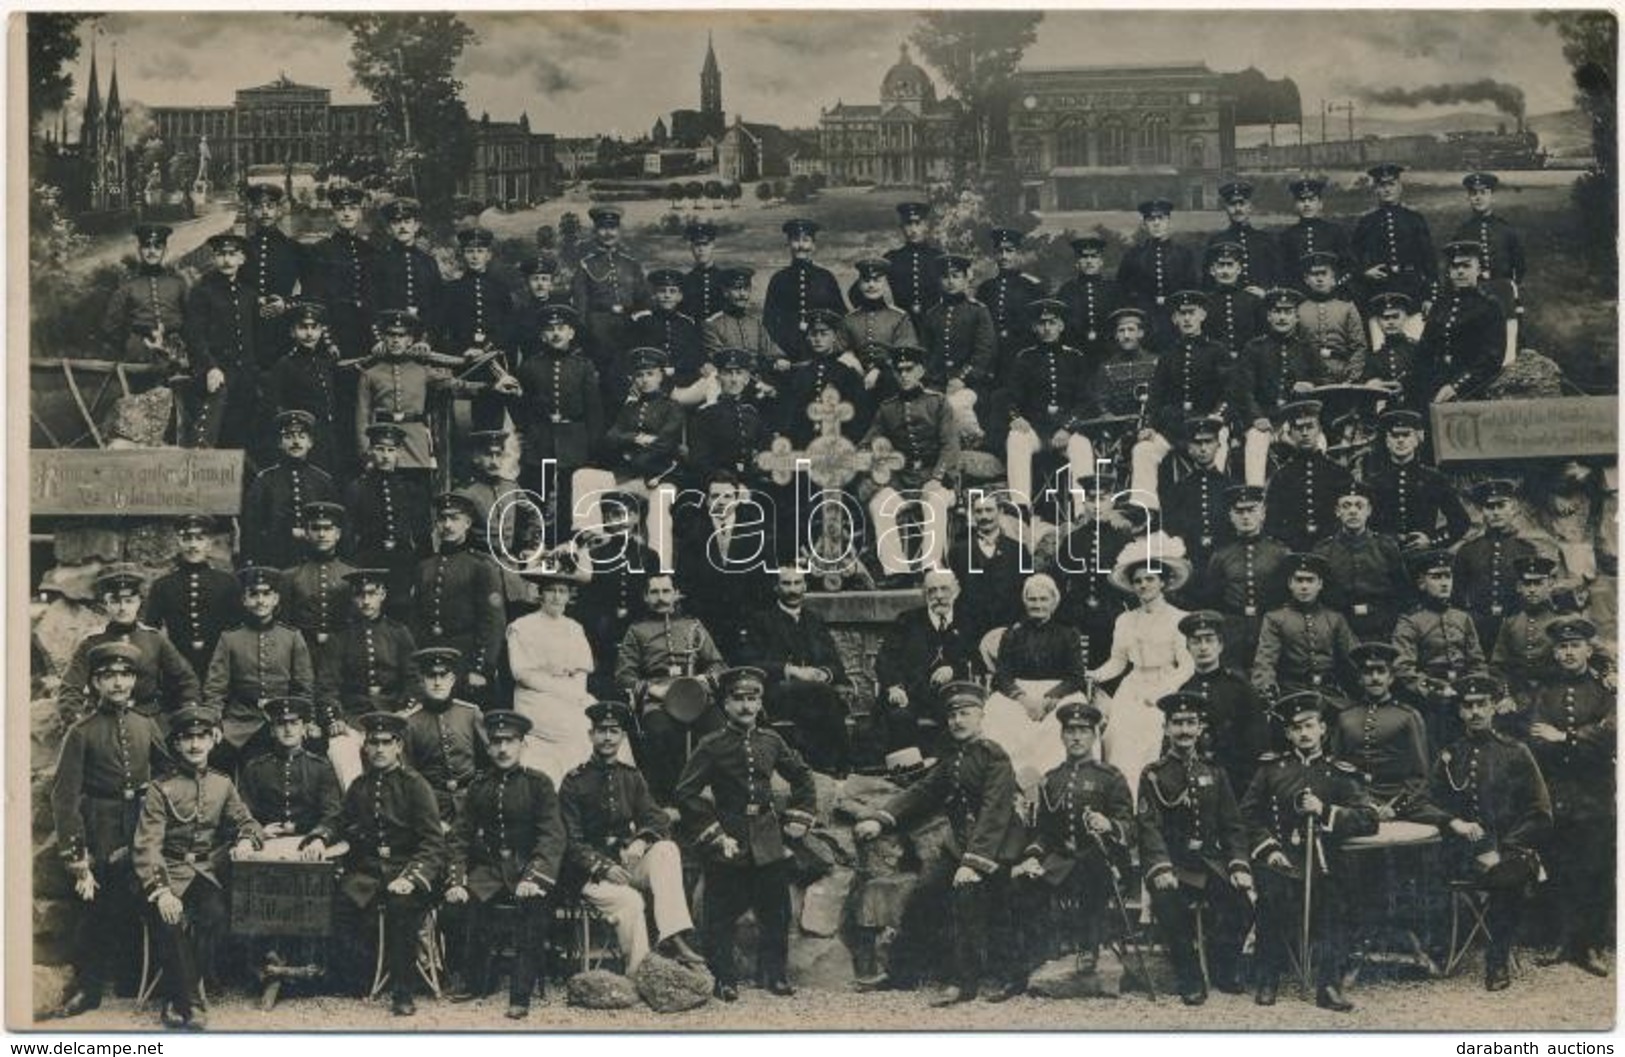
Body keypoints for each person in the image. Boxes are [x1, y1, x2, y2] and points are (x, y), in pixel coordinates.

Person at [854, 681, 1024, 1005]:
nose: (958, 721)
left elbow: (994, 813)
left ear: (981, 716)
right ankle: (903, 973)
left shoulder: (994, 756)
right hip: (961, 845)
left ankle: (969, 982)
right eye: (953, 715)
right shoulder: (953, 757)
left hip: (997, 848)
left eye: (966, 713)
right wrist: (881, 818)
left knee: (972, 898)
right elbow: (923, 792)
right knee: (923, 893)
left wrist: (974, 863)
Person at [675, 666, 818, 1001]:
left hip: (768, 839)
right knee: (720, 913)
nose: (746, 707)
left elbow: (802, 775)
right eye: (738, 699)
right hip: (730, 839)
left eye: (752, 699)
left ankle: (775, 974)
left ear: (760, 701)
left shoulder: (772, 740)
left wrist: (799, 816)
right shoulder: (712, 745)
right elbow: (685, 792)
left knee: (776, 910)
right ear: (725, 704)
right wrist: (714, 833)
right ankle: (723, 978)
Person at [48, 642, 170, 1019]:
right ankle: (89, 987)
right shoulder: (82, 732)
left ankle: (134, 977)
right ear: (96, 682)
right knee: (96, 907)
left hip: (140, 824)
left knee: (137, 898)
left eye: (125, 675)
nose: (118, 683)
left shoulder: (145, 724)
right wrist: (76, 855)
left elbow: (167, 773)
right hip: (100, 825)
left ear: (134, 680)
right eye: (108, 676)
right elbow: (63, 798)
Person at [1240, 690, 1378, 1011]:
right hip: (1281, 859)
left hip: (1324, 861)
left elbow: (1368, 818)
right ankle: (1268, 977)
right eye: (1296, 727)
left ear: (1322, 730)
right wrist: (1268, 848)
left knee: (1335, 904)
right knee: (1271, 896)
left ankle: (1328, 985)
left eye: (1309, 725)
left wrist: (1326, 811)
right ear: (1288, 733)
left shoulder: (1339, 773)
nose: (1303, 733)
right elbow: (1246, 815)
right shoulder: (1271, 770)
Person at [1412, 674, 1551, 991]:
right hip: (1462, 851)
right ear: (1460, 711)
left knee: (1508, 875)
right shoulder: (1451, 755)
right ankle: (1436, 949)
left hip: (1509, 849)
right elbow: (1419, 801)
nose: (1475, 712)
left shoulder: (1515, 751)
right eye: (1468, 706)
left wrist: (1502, 847)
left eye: (1482, 705)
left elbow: (1540, 813)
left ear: (1493, 708)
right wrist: (1452, 822)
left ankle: (1497, 959)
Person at [132, 705, 263, 1031]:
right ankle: (188, 1003)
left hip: (203, 873)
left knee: (216, 915)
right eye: (186, 738)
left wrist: (246, 839)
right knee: (172, 921)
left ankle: (178, 995)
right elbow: (148, 845)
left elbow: (248, 822)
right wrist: (161, 891)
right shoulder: (160, 788)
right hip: (166, 873)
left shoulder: (222, 784)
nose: (194, 745)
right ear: (176, 744)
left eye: (201, 737)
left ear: (212, 740)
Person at [559, 700, 705, 974]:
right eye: (601, 730)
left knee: (666, 849)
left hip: (627, 864)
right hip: (590, 874)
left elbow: (657, 819)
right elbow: (570, 841)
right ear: (591, 735)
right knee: (632, 901)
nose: (607, 737)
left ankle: (673, 936)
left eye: (614, 731)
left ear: (623, 737)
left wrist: (641, 840)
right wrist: (604, 867)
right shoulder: (574, 782)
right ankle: (637, 972)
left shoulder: (631, 777)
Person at [443, 710, 565, 1020]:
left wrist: (535, 876)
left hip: (528, 869)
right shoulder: (479, 786)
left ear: (522, 744)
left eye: (509, 741)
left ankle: (520, 994)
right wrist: (457, 880)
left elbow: (552, 836)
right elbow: (459, 837)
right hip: (490, 872)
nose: (502, 749)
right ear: (487, 748)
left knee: (532, 910)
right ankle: (474, 980)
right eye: (495, 741)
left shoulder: (539, 784)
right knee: (467, 902)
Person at [1138, 691, 1255, 1005]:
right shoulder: (1153, 774)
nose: (1185, 730)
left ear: (1201, 728)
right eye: (1177, 723)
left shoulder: (1215, 773)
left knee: (1243, 904)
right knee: (1169, 906)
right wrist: (1161, 867)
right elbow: (1148, 827)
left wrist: (1239, 865)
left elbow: (1233, 825)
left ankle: (1223, 966)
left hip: (1208, 864)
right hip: (1172, 866)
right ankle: (1189, 975)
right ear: (1166, 729)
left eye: (1191, 723)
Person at [1010, 701, 1135, 995]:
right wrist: (1032, 857)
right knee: (1023, 883)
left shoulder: (1111, 777)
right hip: (1062, 860)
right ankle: (1034, 954)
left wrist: (1109, 824)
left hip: (1102, 858)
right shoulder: (1052, 779)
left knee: (1091, 872)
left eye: (1083, 731)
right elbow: (1043, 832)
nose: (1076, 737)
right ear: (1062, 736)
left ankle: (1088, 947)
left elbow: (1130, 825)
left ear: (1094, 736)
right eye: (1070, 731)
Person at [333, 711, 444, 1016]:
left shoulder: (415, 785)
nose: (379, 749)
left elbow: (433, 842)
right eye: (373, 743)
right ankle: (357, 978)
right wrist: (319, 837)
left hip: (410, 872)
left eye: (387, 742)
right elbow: (340, 823)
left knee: (401, 906)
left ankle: (403, 991)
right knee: (339, 901)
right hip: (370, 873)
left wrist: (411, 877)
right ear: (365, 748)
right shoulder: (359, 786)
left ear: (399, 746)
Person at [1523, 616, 1615, 977]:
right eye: (1562, 646)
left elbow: (1611, 733)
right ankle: (1562, 938)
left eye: (1575, 645)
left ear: (1589, 650)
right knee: (1559, 863)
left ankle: (1590, 944)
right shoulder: (1545, 691)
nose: (1568, 653)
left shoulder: (1606, 690)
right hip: (1557, 789)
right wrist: (1563, 741)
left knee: (1594, 865)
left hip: (1594, 789)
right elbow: (1535, 735)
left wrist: (1565, 738)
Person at [1090, 554, 1195, 803]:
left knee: (1152, 741)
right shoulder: (1125, 619)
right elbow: (1118, 661)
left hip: (1165, 685)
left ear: (1163, 583)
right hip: (1132, 687)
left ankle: (1150, 807)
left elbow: (1187, 665)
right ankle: (1125, 807)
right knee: (1116, 740)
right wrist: (1096, 674)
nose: (1144, 585)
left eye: (1150, 579)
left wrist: (1164, 691)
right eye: (1138, 581)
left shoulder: (1178, 618)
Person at [615, 572, 727, 799]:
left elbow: (718, 664)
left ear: (676, 594)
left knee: (720, 731)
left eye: (666, 591)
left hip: (697, 695)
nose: (661, 598)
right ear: (646, 597)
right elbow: (624, 676)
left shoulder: (693, 626)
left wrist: (704, 680)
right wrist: (654, 690)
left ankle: (718, 796)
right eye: (654, 592)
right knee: (659, 732)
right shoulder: (637, 631)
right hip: (659, 700)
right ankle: (670, 801)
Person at [737, 566, 851, 774]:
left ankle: (819, 764)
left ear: (805, 586)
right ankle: (840, 763)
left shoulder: (815, 620)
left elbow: (835, 662)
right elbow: (750, 662)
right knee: (825, 695)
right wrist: (791, 670)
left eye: (797, 583)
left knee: (821, 694)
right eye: (786, 584)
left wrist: (824, 673)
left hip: (814, 694)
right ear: (776, 588)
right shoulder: (762, 620)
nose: (792, 590)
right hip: (778, 692)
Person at [57, 564, 200, 727]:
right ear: (106, 603)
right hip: (105, 722)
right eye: (115, 601)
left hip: (149, 721)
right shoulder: (91, 643)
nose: (123, 608)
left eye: (129, 601)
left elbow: (185, 679)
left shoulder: (155, 639)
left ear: (139, 602)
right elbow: (70, 687)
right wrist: (78, 721)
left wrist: (189, 711)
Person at [203, 566, 314, 776]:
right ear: (244, 600)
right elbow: (215, 688)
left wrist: (306, 720)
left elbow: (304, 686)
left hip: (283, 718)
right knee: (217, 753)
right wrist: (214, 722)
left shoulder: (291, 637)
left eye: (266, 594)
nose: (260, 601)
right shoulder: (230, 638)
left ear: (276, 599)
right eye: (253, 594)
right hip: (240, 721)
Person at [986, 573, 1091, 791]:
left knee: (1063, 719)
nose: (1038, 605)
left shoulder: (1067, 633)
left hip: (1058, 693)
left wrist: (1051, 698)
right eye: (1032, 600)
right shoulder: (1012, 634)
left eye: (1043, 599)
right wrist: (1023, 699)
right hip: (1019, 694)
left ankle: (1057, 782)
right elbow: (1002, 676)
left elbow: (1076, 676)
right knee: (997, 712)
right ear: (1025, 602)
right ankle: (1010, 783)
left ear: (1054, 602)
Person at [507, 303, 604, 539]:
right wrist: (528, 430)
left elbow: (594, 410)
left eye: (561, 328)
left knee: (569, 497)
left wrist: (593, 445)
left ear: (571, 333)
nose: (556, 333)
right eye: (550, 329)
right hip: (541, 439)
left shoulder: (584, 366)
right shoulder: (530, 366)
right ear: (542, 335)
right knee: (536, 493)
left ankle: (565, 548)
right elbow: (519, 405)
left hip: (575, 439)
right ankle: (532, 546)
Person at [505, 555, 599, 785]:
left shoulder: (575, 628)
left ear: (569, 595)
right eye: (551, 590)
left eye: (562, 591)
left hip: (569, 695)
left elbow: (581, 673)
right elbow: (523, 674)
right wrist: (563, 690)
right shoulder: (522, 627)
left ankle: (585, 793)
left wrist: (575, 694)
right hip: (534, 697)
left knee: (595, 722)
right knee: (565, 727)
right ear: (541, 593)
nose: (556, 597)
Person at [1131, 290, 1230, 504]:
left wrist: (1216, 417)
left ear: (1202, 315)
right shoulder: (1168, 355)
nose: (1187, 319)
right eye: (1181, 314)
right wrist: (1149, 425)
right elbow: (1156, 395)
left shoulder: (1217, 350)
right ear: (1174, 319)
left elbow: (1228, 392)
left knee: (1220, 446)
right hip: (1175, 427)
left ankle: (1219, 503)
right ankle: (1144, 510)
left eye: (1191, 313)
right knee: (1143, 450)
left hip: (1209, 423)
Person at [1001, 299, 1094, 515]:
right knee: (1016, 439)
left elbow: (1086, 401)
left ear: (1061, 326)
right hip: (1035, 431)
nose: (1047, 328)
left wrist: (1068, 428)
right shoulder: (1024, 358)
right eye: (1042, 323)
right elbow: (1010, 396)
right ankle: (1020, 507)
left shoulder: (1075, 358)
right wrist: (1015, 417)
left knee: (1082, 446)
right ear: (1035, 327)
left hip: (1066, 432)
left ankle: (1083, 512)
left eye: (1052, 322)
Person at [873, 568, 980, 755]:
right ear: (925, 593)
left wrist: (954, 669)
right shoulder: (908, 620)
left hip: (950, 696)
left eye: (944, 589)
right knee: (899, 716)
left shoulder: (969, 621)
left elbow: (978, 660)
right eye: (932, 590)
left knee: (960, 717)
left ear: (956, 590)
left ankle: (950, 769)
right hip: (910, 693)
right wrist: (894, 687)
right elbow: (885, 659)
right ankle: (906, 773)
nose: (938, 596)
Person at [315, 567, 418, 759]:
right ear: (353, 599)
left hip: (394, 716)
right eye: (360, 595)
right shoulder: (339, 638)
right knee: (340, 748)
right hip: (353, 720)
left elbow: (414, 679)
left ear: (383, 594)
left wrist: (406, 710)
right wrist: (335, 719)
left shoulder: (399, 633)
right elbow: (327, 686)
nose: (366, 601)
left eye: (372, 593)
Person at [414, 492, 506, 706]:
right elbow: (416, 618)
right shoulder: (424, 567)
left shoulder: (481, 566)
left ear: (467, 523)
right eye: (442, 519)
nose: (447, 525)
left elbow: (493, 622)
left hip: (465, 659)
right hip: (431, 660)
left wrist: (480, 668)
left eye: (454, 518)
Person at [1394, 550, 1489, 749]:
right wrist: (1432, 689)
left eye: (1448, 576)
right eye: (1436, 577)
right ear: (1421, 583)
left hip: (1465, 696)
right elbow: (1403, 668)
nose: (1444, 583)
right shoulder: (1410, 621)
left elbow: (1477, 662)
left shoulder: (1462, 618)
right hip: (1431, 702)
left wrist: (1474, 689)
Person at [1195, 484, 1290, 671]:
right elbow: (1212, 599)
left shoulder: (1280, 552)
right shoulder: (1221, 555)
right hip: (1233, 628)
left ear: (1262, 513)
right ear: (1231, 516)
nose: (1245, 516)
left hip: (1269, 627)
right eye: (1239, 511)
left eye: (1251, 510)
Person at [1330, 642, 1429, 819]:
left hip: (1398, 804)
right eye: (1368, 673)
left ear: (1391, 678)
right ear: (1360, 678)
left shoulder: (1408, 716)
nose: (1375, 678)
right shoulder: (1345, 717)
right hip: (1355, 804)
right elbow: (1337, 770)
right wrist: (1365, 804)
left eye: (1381, 671)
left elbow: (1419, 775)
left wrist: (1395, 807)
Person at [1174, 610, 1269, 795]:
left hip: (1237, 778)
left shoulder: (1241, 688)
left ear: (1220, 645)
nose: (1203, 647)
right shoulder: (1185, 691)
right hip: (1196, 781)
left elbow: (1257, 742)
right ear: (1188, 648)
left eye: (1209, 640)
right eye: (1196, 641)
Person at [343, 424, 432, 617]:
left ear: (399, 453)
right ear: (370, 451)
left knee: (401, 613)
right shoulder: (357, 488)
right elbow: (348, 534)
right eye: (380, 449)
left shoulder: (411, 489)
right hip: (368, 561)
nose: (385, 455)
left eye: (391, 450)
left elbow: (422, 535)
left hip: (402, 565)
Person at [143, 514, 244, 683]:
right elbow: (151, 631)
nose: (193, 545)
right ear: (178, 542)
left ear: (209, 543)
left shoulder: (227, 583)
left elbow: (238, 630)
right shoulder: (163, 585)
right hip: (177, 669)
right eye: (186, 538)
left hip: (220, 669)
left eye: (200, 538)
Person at [183, 232, 260, 451]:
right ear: (215, 258)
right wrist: (210, 367)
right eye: (221, 254)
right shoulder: (203, 292)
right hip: (217, 375)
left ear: (241, 259)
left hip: (245, 375)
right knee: (212, 432)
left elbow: (255, 335)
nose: (227, 260)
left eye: (232, 254)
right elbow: (194, 336)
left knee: (243, 431)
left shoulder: (248, 294)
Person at [1312, 479, 1411, 643]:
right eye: (1346, 506)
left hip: (1382, 628)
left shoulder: (1386, 546)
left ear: (1369, 511)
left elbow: (1403, 593)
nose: (1352, 511)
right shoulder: (1323, 550)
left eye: (1359, 506)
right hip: (1338, 630)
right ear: (1337, 511)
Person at [442, 227, 520, 434]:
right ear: (463, 255)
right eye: (469, 251)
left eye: (480, 251)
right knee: (461, 427)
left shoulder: (500, 289)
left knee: (492, 426)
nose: (475, 256)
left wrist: (487, 348)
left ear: (489, 255)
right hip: (463, 365)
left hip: (493, 365)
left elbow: (510, 328)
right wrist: (463, 350)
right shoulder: (451, 290)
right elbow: (442, 330)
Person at [1251, 551, 1357, 699]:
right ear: (1290, 583)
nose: (1304, 586)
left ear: (1320, 584)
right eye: (1299, 580)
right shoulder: (1275, 618)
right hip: (1291, 694)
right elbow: (1265, 661)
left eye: (1310, 580)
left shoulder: (1335, 618)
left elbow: (1354, 657)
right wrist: (1266, 689)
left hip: (1329, 693)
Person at [401, 647, 488, 826]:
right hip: (431, 807)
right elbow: (408, 774)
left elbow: (488, 761)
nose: (437, 682)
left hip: (471, 802)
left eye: (443, 676)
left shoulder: (470, 713)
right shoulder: (411, 722)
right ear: (422, 681)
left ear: (452, 680)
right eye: (431, 676)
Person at [242, 410, 339, 569]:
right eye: (288, 437)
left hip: (315, 560)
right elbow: (252, 528)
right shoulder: (265, 480)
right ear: (280, 444)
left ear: (310, 443)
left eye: (302, 437)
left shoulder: (323, 481)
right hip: (276, 559)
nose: (296, 442)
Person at [572, 205, 650, 400]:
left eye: (612, 228)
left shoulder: (631, 264)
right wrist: (585, 340)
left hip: (628, 333)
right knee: (602, 390)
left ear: (619, 231)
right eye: (603, 228)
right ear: (595, 231)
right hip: (598, 335)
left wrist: (639, 327)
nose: (608, 233)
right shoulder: (585, 265)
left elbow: (644, 302)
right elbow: (580, 308)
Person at [1365, 409, 1471, 551]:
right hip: (1384, 560)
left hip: (1423, 558)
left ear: (1417, 439)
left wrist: (1432, 541)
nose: (1400, 440)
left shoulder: (1434, 479)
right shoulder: (1373, 482)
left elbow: (1461, 522)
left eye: (1406, 435)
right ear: (1387, 441)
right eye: (1395, 436)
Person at [239, 695, 343, 841]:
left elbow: (332, 814)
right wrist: (259, 832)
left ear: (304, 729)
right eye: (281, 724)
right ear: (272, 730)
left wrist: (318, 838)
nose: (288, 729)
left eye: (294, 723)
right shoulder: (255, 768)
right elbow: (243, 813)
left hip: (310, 839)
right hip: (268, 840)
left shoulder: (320, 767)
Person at [1454, 478, 1542, 647]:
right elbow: (1456, 597)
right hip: (1476, 629)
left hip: (1516, 628)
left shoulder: (1527, 550)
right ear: (1482, 511)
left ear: (1513, 509)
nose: (1495, 512)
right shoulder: (1468, 550)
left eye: (1501, 506)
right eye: (1489, 507)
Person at [260, 299, 343, 472]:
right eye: (303, 327)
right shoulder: (285, 364)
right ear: (292, 332)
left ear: (321, 331)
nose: (309, 333)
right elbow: (273, 405)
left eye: (314, 327)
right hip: (303, 439)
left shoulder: (325, 362)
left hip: (329, 438)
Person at [1419, 241, 1507, 404]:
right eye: (1454, 266)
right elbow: (1425, 349)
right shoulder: (1440, 305)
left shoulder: (1489, 306)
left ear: (1478, 270)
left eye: (1466, 266)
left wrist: (1456, 386)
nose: (1460, 271)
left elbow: (1492, 359)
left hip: (1474, 389)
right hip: (1437, 384)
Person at [1263, 399, 1352, 554]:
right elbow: (1272, 522)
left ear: (1319, 430)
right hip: (1294, 549)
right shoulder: (1281, 476)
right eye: (1298, 428)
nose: (1305, 433)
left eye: (1310, 427)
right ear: (1290, 433)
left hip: (1334, 550)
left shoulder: (1338, 473)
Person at [279, 501, 356, 677]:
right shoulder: (290, 576)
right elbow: (285, 625)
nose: (322, 534)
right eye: (315, 528)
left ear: (338, 534)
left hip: (342, 657)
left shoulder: (351, 575)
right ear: (306, 534)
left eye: (328, 529)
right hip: (302, 656)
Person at [948, 492, 1032, 648]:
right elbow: (954, 595)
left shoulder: (1018, 551)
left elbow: (1027, 591)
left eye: (989, 510)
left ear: (1000, 512)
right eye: (979, 512)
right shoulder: (958, 551)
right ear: (972, 515)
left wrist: (1019, 625)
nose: (984, 516)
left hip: (1008, 634)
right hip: (970, 635)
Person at [1452, 171, 1525, 343]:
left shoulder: (1506, 230)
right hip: (1473, 295)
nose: (1478, 198)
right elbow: (1454, 267)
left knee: (1507, 340)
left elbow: (1520, 266)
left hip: (1502, 294)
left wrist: (1509, 286)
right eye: (1473, 193)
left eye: (1483, 193)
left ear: (1491, 195)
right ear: (1468, 197)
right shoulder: (1462, 232)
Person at [1118, 198, 1199, 348]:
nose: (1156, 223)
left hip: (1177, 323)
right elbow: (1123, 292)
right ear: (1144, 224)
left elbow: (1192, 290)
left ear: (1168, 221)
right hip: (1145, 323)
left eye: (1160, 218)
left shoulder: (1184, 254)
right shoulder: (1134, 255)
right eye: (1151, 219)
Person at [1158, 415, 1235, 573]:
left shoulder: (1229, 486)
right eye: (1197, 443)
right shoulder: (1179, 488)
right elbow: (1170, 527)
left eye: (1208, 442)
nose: (1203, 449)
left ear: (1218, 445)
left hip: (1224, 560)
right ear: (1189, 447)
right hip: (1190, 559)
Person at [764, 218, 847, 364]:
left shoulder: (826, 278)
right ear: (789, 244)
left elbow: (841, 317)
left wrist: (834, 349)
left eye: (806, 240)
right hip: (787, 356)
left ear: (814, 245)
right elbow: (768, 322)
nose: (801, 245)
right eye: (796, 240)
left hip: (821, 354)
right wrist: (778, 355)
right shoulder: (778, 280)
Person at [919, 254, 996, 410]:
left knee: (956, 408)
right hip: (936, 381)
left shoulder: (978, 311)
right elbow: (925, 351)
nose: (950, 282)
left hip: (970, 383)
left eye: (956, 276)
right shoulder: (932, 314)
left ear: (966, 278)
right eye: (945, 277)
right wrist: (929, 377)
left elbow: (983, 352)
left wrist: (961, 378)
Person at [1353, 163, 1436, 307]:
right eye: (1381, 185)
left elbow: (1429, 261)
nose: (1387, 189)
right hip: (1378, 290)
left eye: (1391, 184)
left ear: (1400, 187)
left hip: (1412, 289)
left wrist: (1428, 297)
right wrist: (1364, 272)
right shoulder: (1367, 222)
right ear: (1375, 189)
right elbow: (1352, 257)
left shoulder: (1414, 219)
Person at [603, 347, 685, 486]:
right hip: (628, 472)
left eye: (650, 374)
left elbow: (665, 443)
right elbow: (611, 436)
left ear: (661, 376)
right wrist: (636, 438)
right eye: (640, 375)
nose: (645, 380)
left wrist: (632, 455)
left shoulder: (672, 406)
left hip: (660, 473)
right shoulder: (630, 407)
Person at [243, 184, 305, 363]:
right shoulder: (243, 248)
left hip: (283, 327)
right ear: (251, 211)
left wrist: (287, 303)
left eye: (270, 206)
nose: (264, 212)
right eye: (258, 207)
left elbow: (313, 289)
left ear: (279, 210)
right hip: (250, 326)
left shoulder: (293, 249)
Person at [978, 227, 1048, 380]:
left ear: (1018, 253)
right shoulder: (986, 288)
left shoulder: (1033, 286)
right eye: (999, 251)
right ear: (994, 254)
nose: (1004, 256)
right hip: (993, 357)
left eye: (1009, 251)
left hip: (1023, 354)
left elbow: (1041, 325)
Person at [630, 268, 708, 406]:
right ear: (654, 295)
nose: (667, 296)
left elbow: (696, 357)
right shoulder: (642, 321)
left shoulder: (688, 324)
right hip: (650, 383)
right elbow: (630, 355)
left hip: (683, 385)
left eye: (672, 291)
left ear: (680, 296)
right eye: (662, 291)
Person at [371, 197, 444, 340]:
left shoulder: (428, 262)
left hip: (421, 339)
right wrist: (378, 338)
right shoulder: (379, 261)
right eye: (396, 222)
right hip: (390, 338)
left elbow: (438, 304)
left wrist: (427, 339)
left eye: (407, 221)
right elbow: (372, 303)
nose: (402, 227)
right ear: (389, 229)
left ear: (416, 226)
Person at [1295, 251, 1367, 384]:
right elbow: (1294, 349)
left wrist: (1352, 378)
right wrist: (1302, 380)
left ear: (1333, 278)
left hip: (1343, 376)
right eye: (1314, 274)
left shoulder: (1347, 308)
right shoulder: (1299, 310)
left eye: (1324, 273)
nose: (1319, 279)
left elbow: (1359, 346)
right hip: (1310, 378)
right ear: (1306, 279)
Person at [1279, 178, 1351, 289]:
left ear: (1320, 204)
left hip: (1331, 292)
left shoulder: (1335, 231)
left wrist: (1336, 284)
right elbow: (1284, 270)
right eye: (1302, 200)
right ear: (1295, 205)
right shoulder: (1287, 236)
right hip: (1299, 293)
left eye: (1311, 200)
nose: (1307, 205)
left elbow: (1347, 265)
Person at [1209, 179, 1279, 292]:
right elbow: (1208, 282)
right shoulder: (1217, 241)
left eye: (1242, 203)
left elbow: (1277, 277)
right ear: (1226, 208)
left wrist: (1265, 292)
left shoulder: (1265, 240)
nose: (1238, 209)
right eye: (1232, 204)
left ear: (1250, 207)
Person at [1201, 241, 1264, 363]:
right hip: (1214, 363)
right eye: (1220, 265)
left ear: (1239, 269)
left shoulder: (1253, 300)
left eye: (1230, 265)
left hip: (1248, 363)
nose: (1225, 271)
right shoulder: (1204, 302)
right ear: (1212, 270)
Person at [1362, 292, 1426, 411]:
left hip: (1416, 410)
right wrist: (1373, 383)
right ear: (1378, 322)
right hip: (1386, 415)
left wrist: (1406, 385)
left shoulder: (1418, 350)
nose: (1390, 322)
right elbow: (1367, 383)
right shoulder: (1374, 357)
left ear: (1405, 317)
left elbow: (1426, 381)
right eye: (1385, 318)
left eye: (1395, 316)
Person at [884, 200, 943, 326]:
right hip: (901, 325)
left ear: (926, 226)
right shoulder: (892, 259)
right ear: (901, 227)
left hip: (934, 325)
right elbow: (858, 291)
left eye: (918, 223)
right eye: (908, 224)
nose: (913, 229)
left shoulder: (938, 257)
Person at [680, 221, 725, 322]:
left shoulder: (724, 278)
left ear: (713, 245)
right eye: (697, 245)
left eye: (705, 244)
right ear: (691, 247)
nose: (701, 249)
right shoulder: (685, 281)